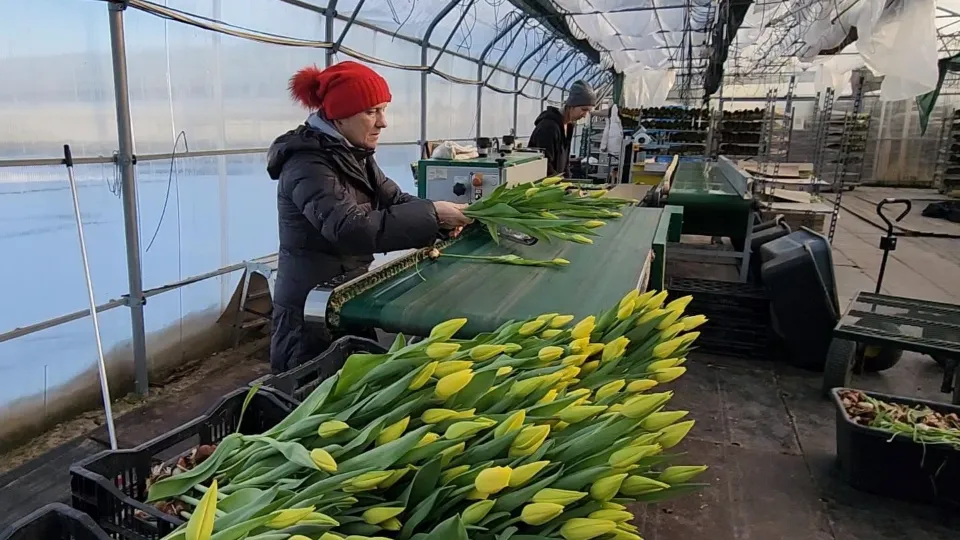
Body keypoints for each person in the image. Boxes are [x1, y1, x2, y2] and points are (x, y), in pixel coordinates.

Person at [266, 61, 472, 373]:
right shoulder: (307, 164)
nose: (383, 122)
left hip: (346, 296)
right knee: (312, 394)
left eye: (383, 110)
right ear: (340, 115)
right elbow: (350, 228)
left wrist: (443, 219)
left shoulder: (353, 153)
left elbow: (395, 199)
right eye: (371, 112)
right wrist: (432, 214)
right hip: (309, 315)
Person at [528, 79, 597, 177]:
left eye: (588, 111)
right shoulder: (548, 128)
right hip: (544, 183)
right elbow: (545, 166)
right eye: (583, 109)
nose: (585, 115)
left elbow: (565, 163)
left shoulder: (568, 126)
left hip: (557, 181)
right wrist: (560, 183)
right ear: (571, 105)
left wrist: (568, 180)